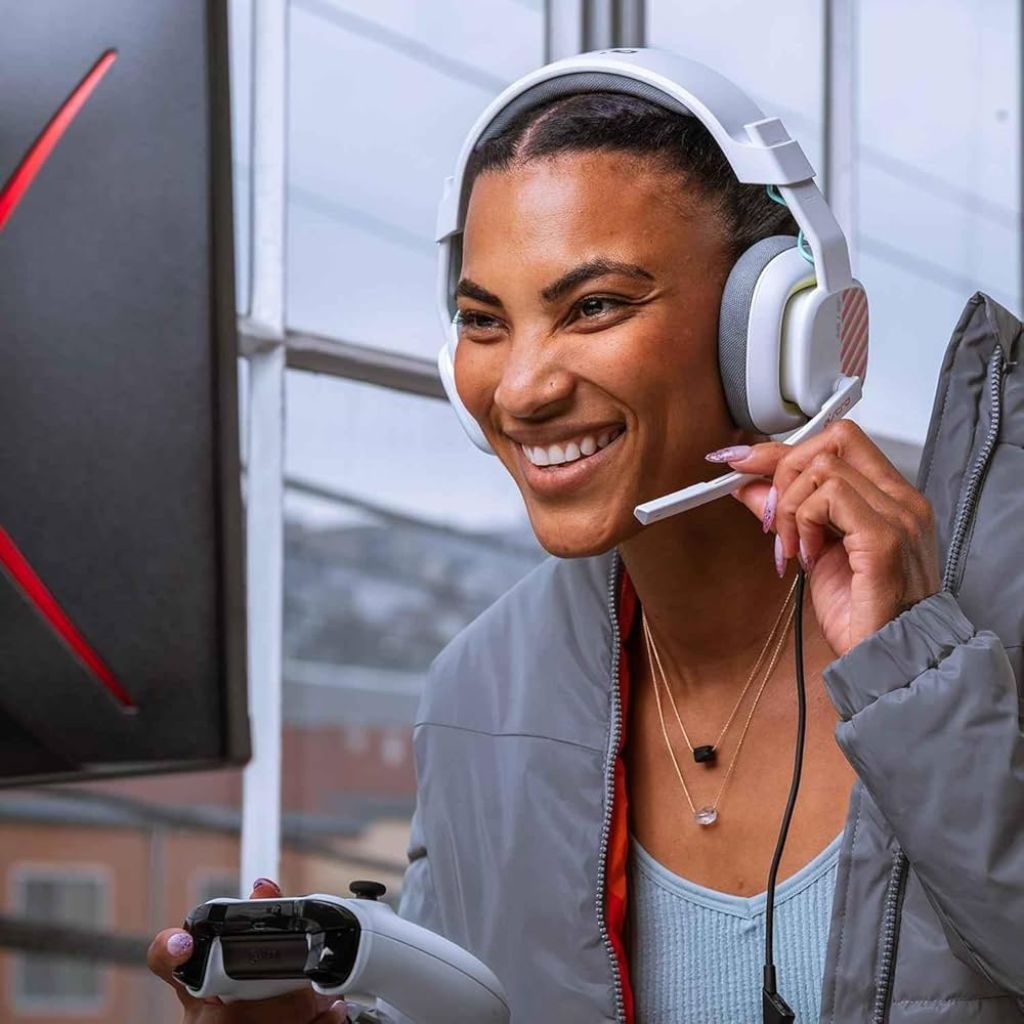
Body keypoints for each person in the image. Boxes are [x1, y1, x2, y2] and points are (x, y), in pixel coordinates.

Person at [149, 62, 1024, 1024]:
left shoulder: (985, 627)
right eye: (484, 321)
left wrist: (913, 672)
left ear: (776, 327)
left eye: (595, 306)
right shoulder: (482, 691)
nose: (522, 389)